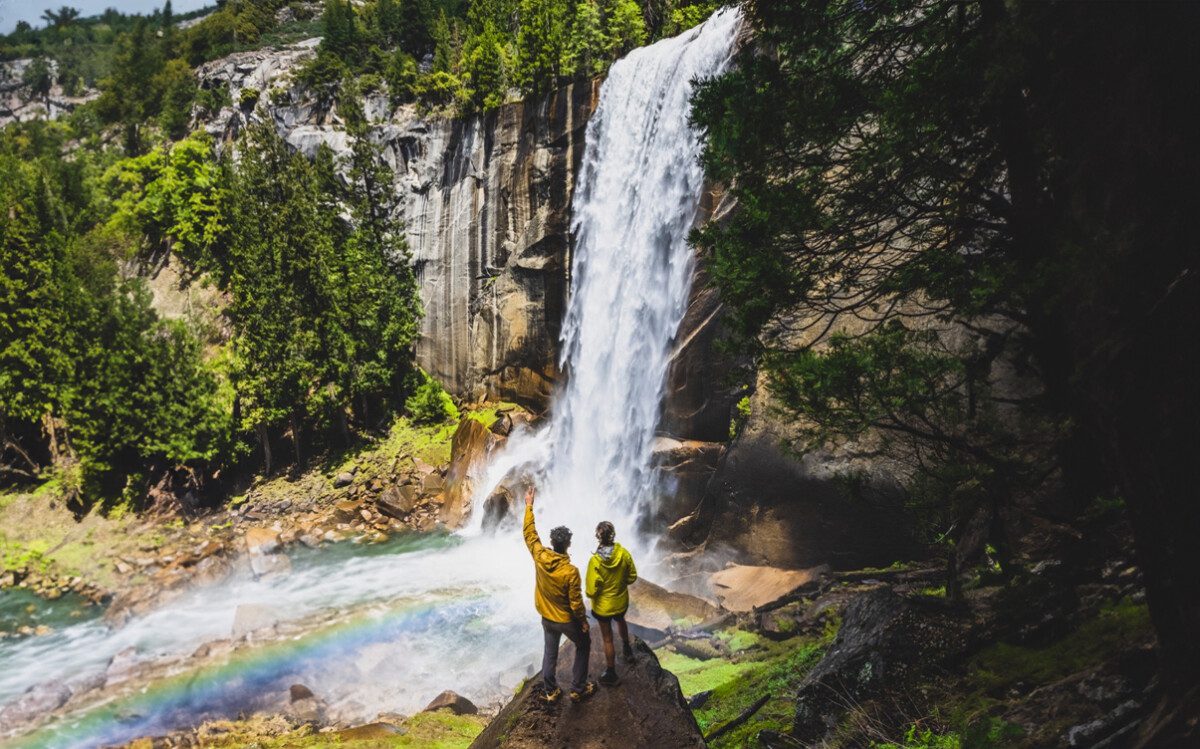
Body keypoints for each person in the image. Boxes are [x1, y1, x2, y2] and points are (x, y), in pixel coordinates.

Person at [522, 485, 595, 704]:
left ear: (553, 543)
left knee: (550, 652)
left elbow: (530, 534)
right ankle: (578, 688)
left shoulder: (540, 556)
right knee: (584, 644)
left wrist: (528, 506)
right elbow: (575, 602)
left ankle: (550, 690)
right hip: (565, 620)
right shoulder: (570, 571)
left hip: (546, 616)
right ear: (568, 544)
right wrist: (582, 622)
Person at [585, 520, 638, 685]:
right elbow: (632, 576)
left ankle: (611, 672)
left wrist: (600, 590)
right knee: (621, 620)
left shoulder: (595, 562)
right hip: (620, 601)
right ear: (613, 534)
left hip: (603, 607)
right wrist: (620, 583)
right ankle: (627, 648)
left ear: (598, 537)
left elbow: (590, 591)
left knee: (607, 639)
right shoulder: (624, 554)